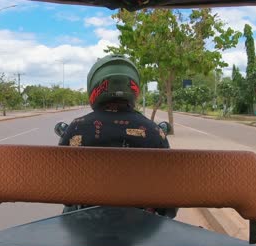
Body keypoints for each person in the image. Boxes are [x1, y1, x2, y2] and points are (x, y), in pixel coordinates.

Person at [59, 54, 176, 218]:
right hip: (140, 224)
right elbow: (167, 191)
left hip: (86, 219)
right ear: (133, 88)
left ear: (94, 87)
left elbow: (64, 189)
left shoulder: (77, 127)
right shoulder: (153, 131)